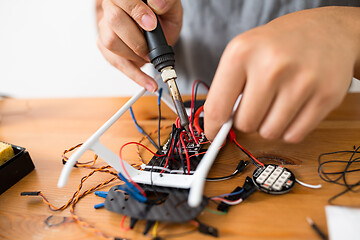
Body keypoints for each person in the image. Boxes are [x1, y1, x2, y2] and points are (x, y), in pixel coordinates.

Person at [95, 0, 360, 143]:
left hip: (324, 124)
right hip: (175, 109)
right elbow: (106, 7)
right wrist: (119, 20)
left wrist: (347, 28)